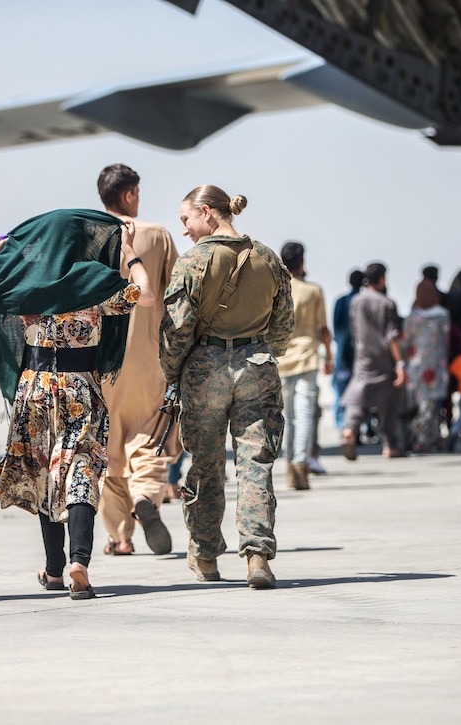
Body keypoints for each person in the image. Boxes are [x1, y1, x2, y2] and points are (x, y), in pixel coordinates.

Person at [0, 209, 155, 600]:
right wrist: (132, 255)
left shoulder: (26, 284)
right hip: (80, 388)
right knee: (81, 471)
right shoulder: (96, 281)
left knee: (44, 474)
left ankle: (53, 570)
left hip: (33, 390)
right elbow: (147, 294)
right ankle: (78, 562)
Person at [160, 185, 293, 589]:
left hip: (205, 369)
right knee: (255, 464)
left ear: (206, 212)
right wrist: (258, 346)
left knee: (206, 464)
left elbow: (176, 330)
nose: (183, 230)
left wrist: (172, 373)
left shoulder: (193, 261)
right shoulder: (268, 257)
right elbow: (284, 326)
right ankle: (257, 557)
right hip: (257, 366)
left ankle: (204, 555)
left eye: (186, 220)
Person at [95, 163, 181, 556]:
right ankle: (146, 493)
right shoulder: (157, 236)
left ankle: (120, 537)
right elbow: (179, 293)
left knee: (108, 445)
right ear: (129, 194)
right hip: (149, 357)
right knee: (150, 433)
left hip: (98, 361)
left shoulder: (87, 236)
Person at [276, 241, 333, 490]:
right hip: (308, 356)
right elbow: (324, 330)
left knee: (287, 416)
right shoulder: (314, 291)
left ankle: (290, 467)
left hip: (281, 359)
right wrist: (329, 356)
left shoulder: (276, 290)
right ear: (302, 262)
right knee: (306, 414)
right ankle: (301, 465)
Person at [340, 262, 407, 460]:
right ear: (382, 279)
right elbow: (391, 335)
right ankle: (390, 444)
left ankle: (349, 430)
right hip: (384, 358)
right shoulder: (387, 303)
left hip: (363, 356)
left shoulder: (356, 301)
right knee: (389, 401)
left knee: (359, 397)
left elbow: (354, 330)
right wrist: (400, 363)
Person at [404, 279, 450, 452]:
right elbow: (445, 339)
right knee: (430, 404)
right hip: (437, 364)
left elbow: (406, 341)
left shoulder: (412, 317)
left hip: (416, 365)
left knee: (425, 403)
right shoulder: (443, 315)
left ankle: (427, 437)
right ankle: (421, 436)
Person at [331, 269, 364, 435]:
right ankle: (360, 427)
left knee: (340, 391)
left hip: (343, 352)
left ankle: (342, 425)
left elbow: (336, 328)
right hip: (361, 353)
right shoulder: (362, 301)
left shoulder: (342, 301)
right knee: (360, 391)